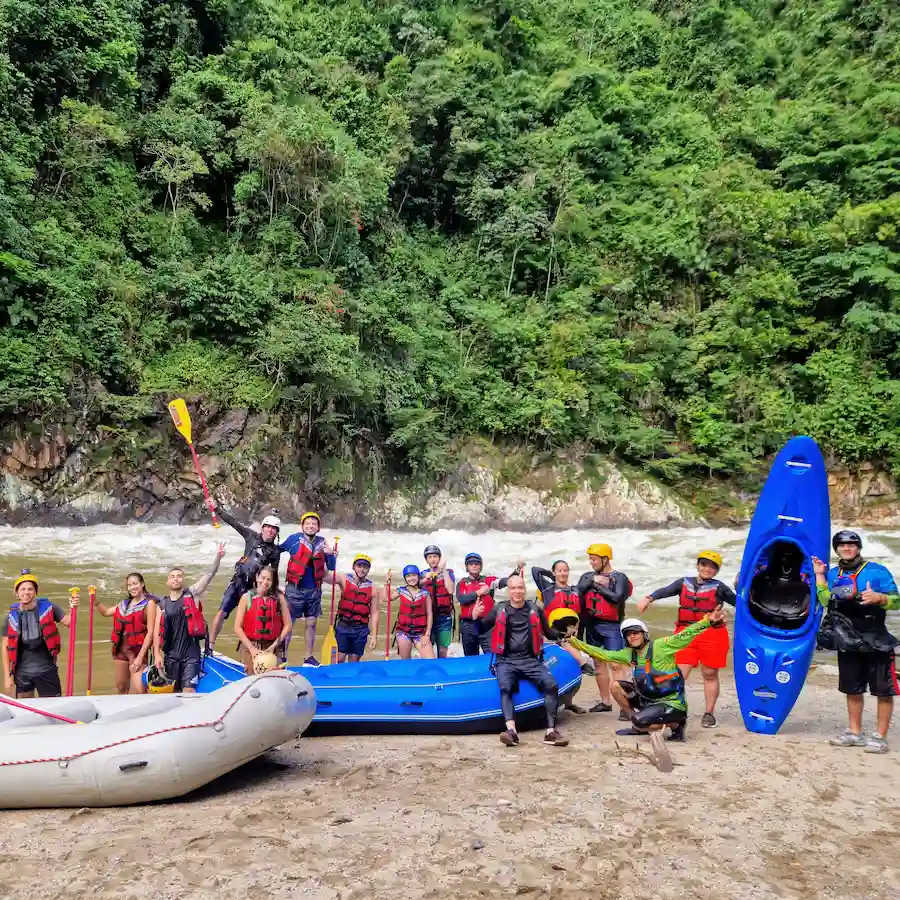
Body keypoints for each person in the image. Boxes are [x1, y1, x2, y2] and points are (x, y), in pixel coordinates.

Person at [570, 610, 726, 742]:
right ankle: (638, 724)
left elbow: (685, 635)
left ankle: (676, 724)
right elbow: (602, 653)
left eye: (635, 632)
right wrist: (574, 642)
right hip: (649, 700)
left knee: (641, 721)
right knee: (615, 686)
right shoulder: (628, 654)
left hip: (671, 703)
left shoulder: (661, 646)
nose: (633, 636)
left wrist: (707, 622)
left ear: (644, 634)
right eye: (629, 635)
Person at [813, 530, 900, 754]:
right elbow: (825, 601)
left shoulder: (877, 571)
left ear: (858, 547)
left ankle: (879, 737)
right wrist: (820, 577)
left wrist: (880, 598)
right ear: (837, 549)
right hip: (847, 640)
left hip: (876, 639)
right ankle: (855, 733)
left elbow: (896, 601)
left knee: (883, 691)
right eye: (842, 545)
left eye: (851, 544)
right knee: (852, 690)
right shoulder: (833, 573)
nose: (847, 548)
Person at [636, 550, 735, 728]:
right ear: (697, 565)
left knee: (710, 674)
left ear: (717, 571)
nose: (707, 569)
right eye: (703, 564)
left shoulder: (720, 588)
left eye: (712, 567)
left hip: (712, 634)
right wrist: (648, 598)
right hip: (685, 634)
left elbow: (740, 605)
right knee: (677, 674)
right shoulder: (683, 583)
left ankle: (709, 713)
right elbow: (665, 591)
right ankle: (672, 708)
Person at [471, 573, 569, 746]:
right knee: (505, 688)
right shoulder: (499, 609)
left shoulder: (535, 609)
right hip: (506, 660)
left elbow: (549, 633)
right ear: (509, 591)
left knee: (551, 685)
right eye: (514, 588)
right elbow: (481, 629)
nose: (517, 591)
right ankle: (511, 731)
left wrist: (565, 633)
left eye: (520, 587)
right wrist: (475, 617)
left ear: (525, 590)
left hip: (530, 660)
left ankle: (551, 732)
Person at [208, 501, 283, 651]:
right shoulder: (251, 536)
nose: (270, 530)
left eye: (273, 529)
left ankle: (249, 650)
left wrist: (276, 591)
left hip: (252, 590)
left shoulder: (275, 552)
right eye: (267, 527)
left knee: (249, 621)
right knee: (222, 612)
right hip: (238, 582)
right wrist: (216, 509)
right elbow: (234, 523)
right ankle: (210, 645)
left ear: (276, 532)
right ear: (262, 528)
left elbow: (272, 574)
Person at [153, 543, 226, 692]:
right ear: (167, 582)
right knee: (172, 694)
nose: (176, 579)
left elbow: (208, 575)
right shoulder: (161, 604)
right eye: (172, 577)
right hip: (170, 656)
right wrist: (157, 655)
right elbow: (155, 632)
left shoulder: (192, 594)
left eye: (179, 576)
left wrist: (218, 557)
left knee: (189, 692)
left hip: (191, 655)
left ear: (183, 580)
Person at [577, 543, 634, 716]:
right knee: (598, 663)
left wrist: (597, 586)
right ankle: (605, 701)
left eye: (594, 559)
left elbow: (617, 597)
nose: (591, 562)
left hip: (612, 626)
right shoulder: (587, 576)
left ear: (605, 559)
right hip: (592, 625)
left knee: (617, 664)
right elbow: (578, 591)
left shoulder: (620, 578)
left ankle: (625, 704)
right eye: (590, 559)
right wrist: (592, 581)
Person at [2, 571, 78, 699]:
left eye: (30, 589)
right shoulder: (10, 617)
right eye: (23, 589)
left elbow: (70, 623)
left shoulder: (50, 608)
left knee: (53, 706)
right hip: (22, 672)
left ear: (36, 592)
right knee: (25, 707)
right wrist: (7, 676)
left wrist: (73, 608)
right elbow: (5, 647)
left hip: (47, 670)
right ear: (17, 593)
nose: (26, 592)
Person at [279, 512, 337, 666]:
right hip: (294, 590)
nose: (311, 526)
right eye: (308, 523)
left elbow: (331, 567)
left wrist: (331, 555)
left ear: (318, 527)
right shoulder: (293, 540)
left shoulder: (322, 543)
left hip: (314, 591)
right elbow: (275, 552)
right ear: (302, 525)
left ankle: (308, 657)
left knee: (311, 624)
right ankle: (282, 656)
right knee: (288, 624)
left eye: (314, 524)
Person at [93, 573, 158, 694]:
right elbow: (106, 612)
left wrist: (139, 659)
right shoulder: (124, 604)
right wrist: (95, 601)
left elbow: (150, 633)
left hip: (137, 652)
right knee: (121, 687)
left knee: (140, 690)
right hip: (120, 650)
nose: (132, 587)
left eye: (135, 584)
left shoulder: (149, 604)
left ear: (142, 584)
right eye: (129, 585)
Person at [457, 554, 521, 656]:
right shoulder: (462, 583)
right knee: (471, 658)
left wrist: (517, 571)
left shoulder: (488, 581)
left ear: (481, 566)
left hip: (487, 624)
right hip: (468, 625)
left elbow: (505, 581)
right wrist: (479, 592)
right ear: (467, 567)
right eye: (471, 564)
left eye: (477, 564)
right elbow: (462, 599)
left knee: (492, 655)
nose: (474, 566)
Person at [233, 565, 292, 675]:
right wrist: (251, 649)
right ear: (257, 577)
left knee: (273, 680)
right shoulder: (246, 598)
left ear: (273, 581)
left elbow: (288, 625)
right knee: (251, 680)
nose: (265, 582)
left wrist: (275, 645)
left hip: (273, 647)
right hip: (251, 646)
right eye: (263, 578)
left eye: (269, 579)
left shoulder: (280, 598)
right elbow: (237, 627)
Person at [324, 553, 380, 663]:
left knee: (354, 661)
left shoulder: (372, 588)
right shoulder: (344, 578)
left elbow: (375, 613)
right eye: (359, 566)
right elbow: (325, 576)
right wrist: (329, 558)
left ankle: (349, 679)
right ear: (353, 566)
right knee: (339, 658)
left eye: (365, 567)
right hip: (344, 625)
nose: (362, 569)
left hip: (360, 629)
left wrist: (374, 636)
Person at [392, 565, 434, 659]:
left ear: (418, 576)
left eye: (414, 575)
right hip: (403, 632)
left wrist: (427, 634)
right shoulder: (401, 591)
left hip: (421, 633)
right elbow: (386, 598)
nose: (411, 578)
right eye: (408, 576)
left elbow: (429, 614)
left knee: (431, 660)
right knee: (406, 663)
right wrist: (387, 583)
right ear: (405, 578)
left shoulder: (425, 593)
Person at [421, 545, 455, 658]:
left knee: (442, 650)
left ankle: (442, 671)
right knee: (427, 650)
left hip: (444, 617)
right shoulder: (422, 574)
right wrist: (425, 579)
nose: (433, 559)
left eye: (435, 556)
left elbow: (450, 590)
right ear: (426, 560)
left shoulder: (448, 573)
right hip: (427, 617)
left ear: (439, 558)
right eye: (430, 557)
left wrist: (443, 570)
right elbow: (413, 588)